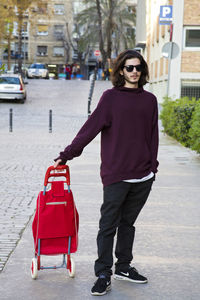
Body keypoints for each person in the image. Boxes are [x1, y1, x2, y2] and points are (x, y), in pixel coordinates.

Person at [54, 49, 159, 296]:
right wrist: (68, 154)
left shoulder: (150, 100)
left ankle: (124, 266)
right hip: (116, 174)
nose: (135, 72)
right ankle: (103, 273)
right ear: (121, 70)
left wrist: (153, 167)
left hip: (143, 175)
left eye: (138, 67)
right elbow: (90, 129)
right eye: (129, 68)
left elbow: (153, 136)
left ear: (143, 71)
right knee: (108, 226)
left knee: (128, 224)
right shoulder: (110, 98)